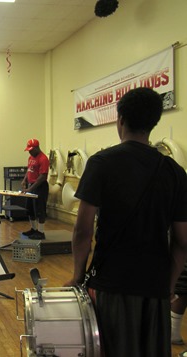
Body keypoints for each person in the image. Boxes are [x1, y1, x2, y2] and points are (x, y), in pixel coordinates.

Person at [64, 87, 187, 357]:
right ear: (154, 123)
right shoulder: (175, 172)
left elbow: (83, 230)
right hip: (154, 287)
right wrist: (168, 286)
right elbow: (182, 242)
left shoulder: (101, 163)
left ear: (120, 120)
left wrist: (77, 274)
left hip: (111, 284)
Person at [20, 138, 49, 239]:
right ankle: (33, 229)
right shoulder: (31, 157)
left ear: (37, 147)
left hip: (40, 187)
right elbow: (29, 170)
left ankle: (41, 232)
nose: (30, 151)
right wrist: (24, 180)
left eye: (31, 149)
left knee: (40, 210)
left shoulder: (43, 159)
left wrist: (30, 188)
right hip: (31, 186)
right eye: (28, 150)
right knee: (30, 209)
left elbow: (42, 177)